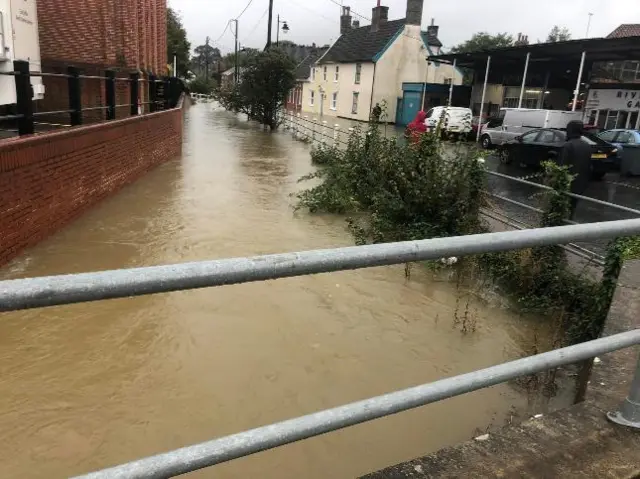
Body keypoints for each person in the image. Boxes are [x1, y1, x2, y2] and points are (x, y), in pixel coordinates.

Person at [559, 120, 592, 220]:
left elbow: (562, 167)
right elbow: (589, 166)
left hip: (567, 184)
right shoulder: (587, 145)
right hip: (581, 184)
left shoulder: (568, 145)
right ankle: (569, 222)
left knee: (562, 208)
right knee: (572, 208)